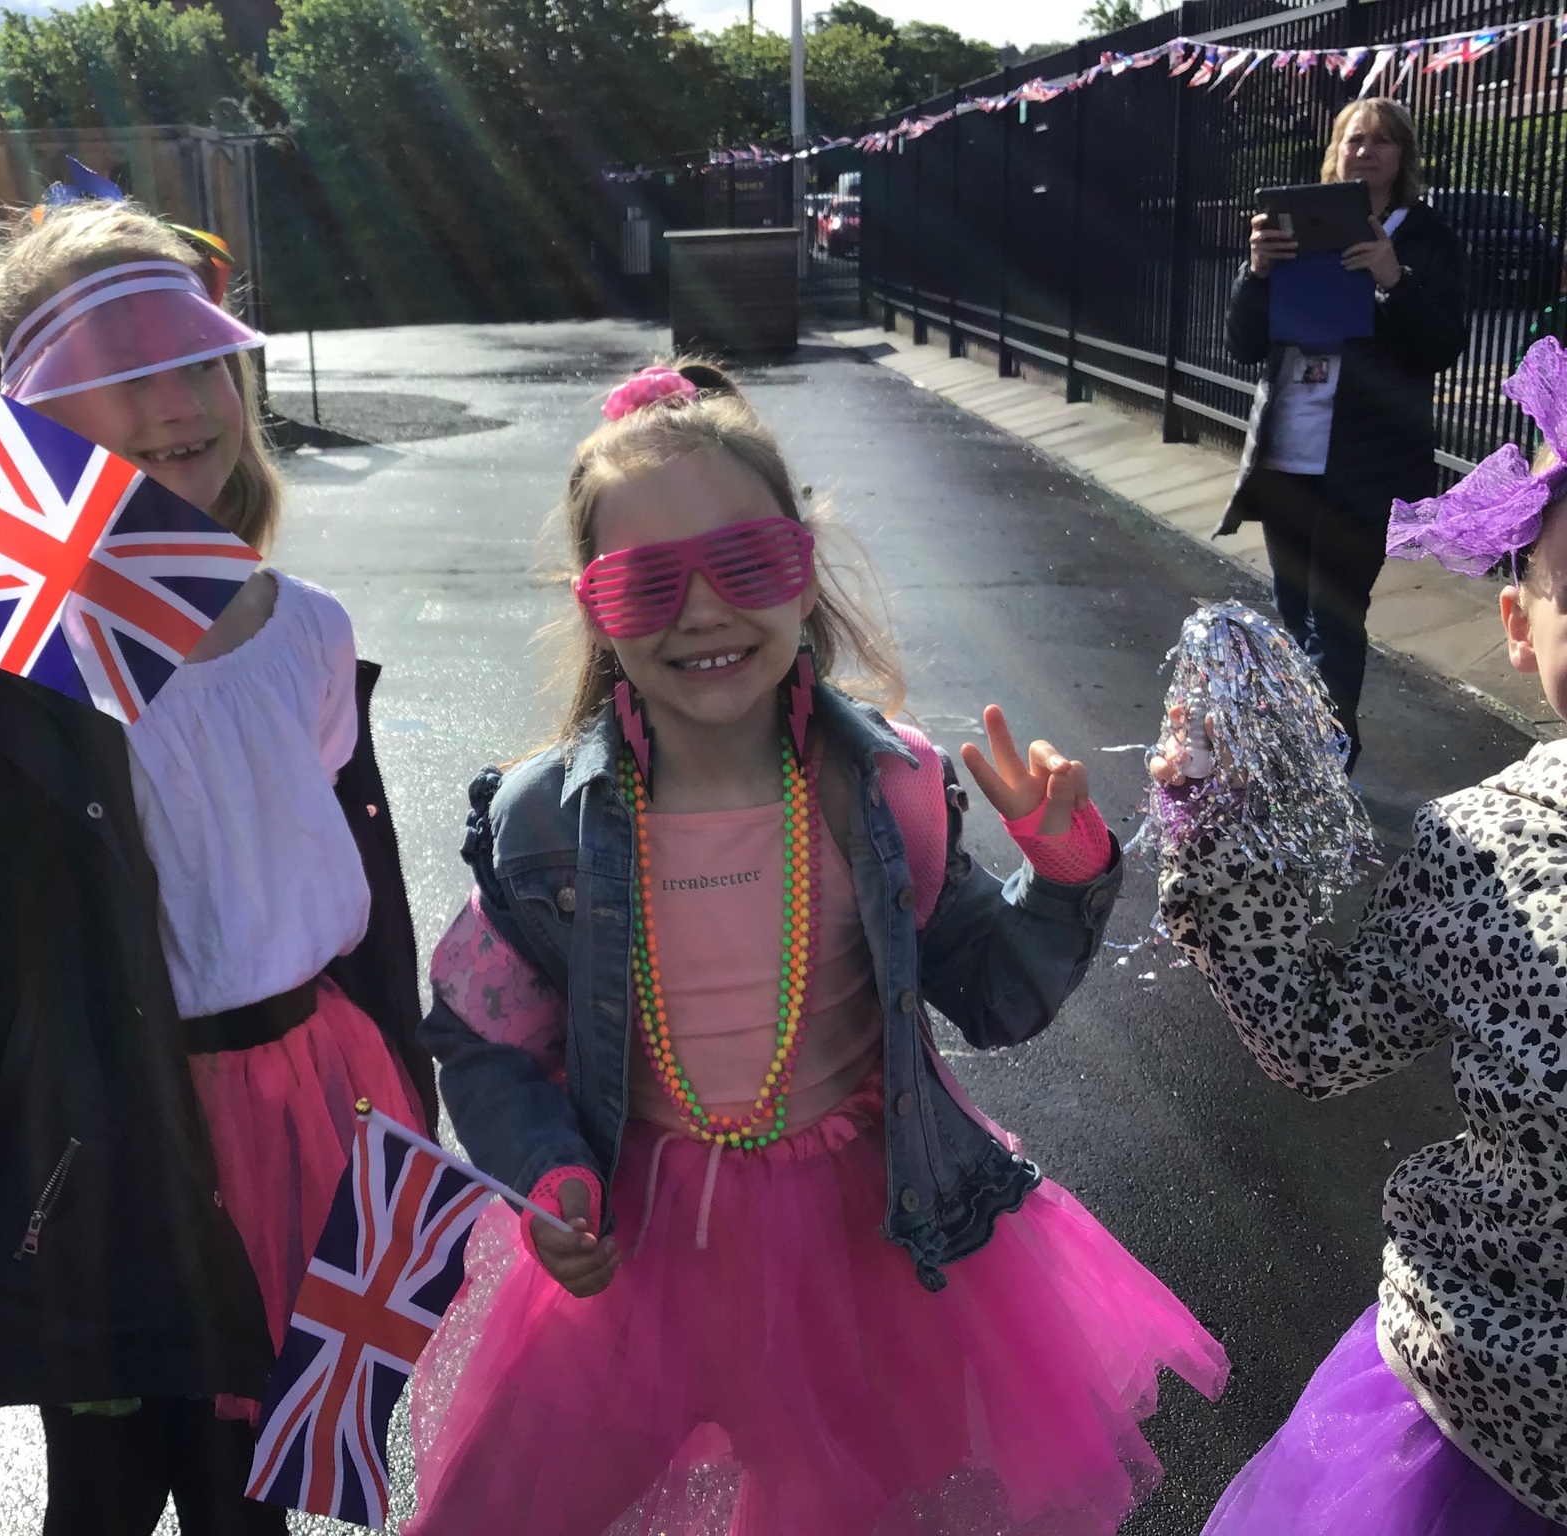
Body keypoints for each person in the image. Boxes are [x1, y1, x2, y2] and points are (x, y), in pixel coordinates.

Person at [403, 361, 1229, 1536]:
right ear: (594, 607)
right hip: (635, 1246)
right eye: (646, 583)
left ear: (800, 569)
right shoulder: (542, 826)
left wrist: (1060, 873)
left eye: (744, 563)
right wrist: (546, 1170)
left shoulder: (889, 789)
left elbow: (992, 996)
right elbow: (481, 1039)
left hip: (865, 1248)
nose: (701, 612)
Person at [0, 197, 434, 1535]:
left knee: (259, 1476)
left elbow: (338, 870)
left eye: (198, 358)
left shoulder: (309, 629)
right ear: (34, 428)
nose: (176, 402)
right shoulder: (8, 666)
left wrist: (408, 1075)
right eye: (119, 374)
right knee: (105, 1483)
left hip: (316, 1093)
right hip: (115, 1124)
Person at [1155, 335, 1567, 1534]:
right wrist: (1223, 834)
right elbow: (1318, 1035)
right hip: (1483, 1404)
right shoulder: (1481, 846)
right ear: (1518, 623)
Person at [1218, 97, 1466, 771]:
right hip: (1288, 454)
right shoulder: (1294, 229)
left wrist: (1392, 278)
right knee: (1293, 609)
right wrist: (1256, 272)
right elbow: (1242, 343)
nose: (1366, 151)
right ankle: (1303, 749)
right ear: (1337, 149)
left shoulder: (1426, 236)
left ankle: (1327, 764)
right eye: (1355, 139)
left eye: (1382, 141)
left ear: (1402, 156)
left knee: (1335, 616)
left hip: (1366, 463)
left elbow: (1443, 344)